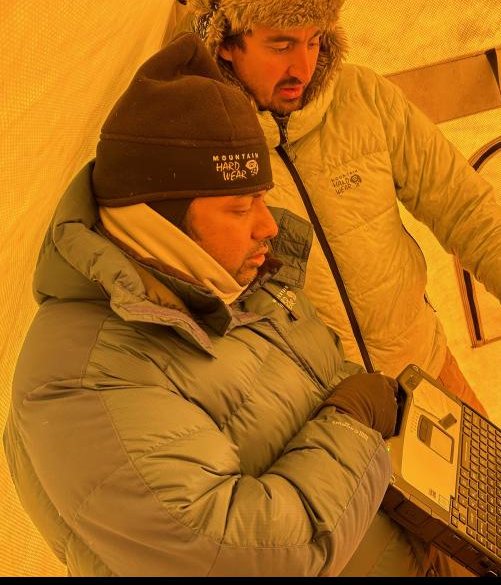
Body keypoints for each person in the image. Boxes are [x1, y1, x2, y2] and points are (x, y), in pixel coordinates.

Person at [2, 32, 413, 577]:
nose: (267, 226)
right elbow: (249, 559)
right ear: (158, 220)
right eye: (241, 207)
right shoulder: (81, 383)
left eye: (263, 200)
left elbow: (298, 405)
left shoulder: (231, 285)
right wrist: (353, 421)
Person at [181, 0, 501, 425]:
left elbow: (464, 208)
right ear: (225, 41)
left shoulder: (364, 97)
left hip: (428, 373)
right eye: (281, 46)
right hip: (323, 420)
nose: (303, 67)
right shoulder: (197, 137)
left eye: (314, 41)